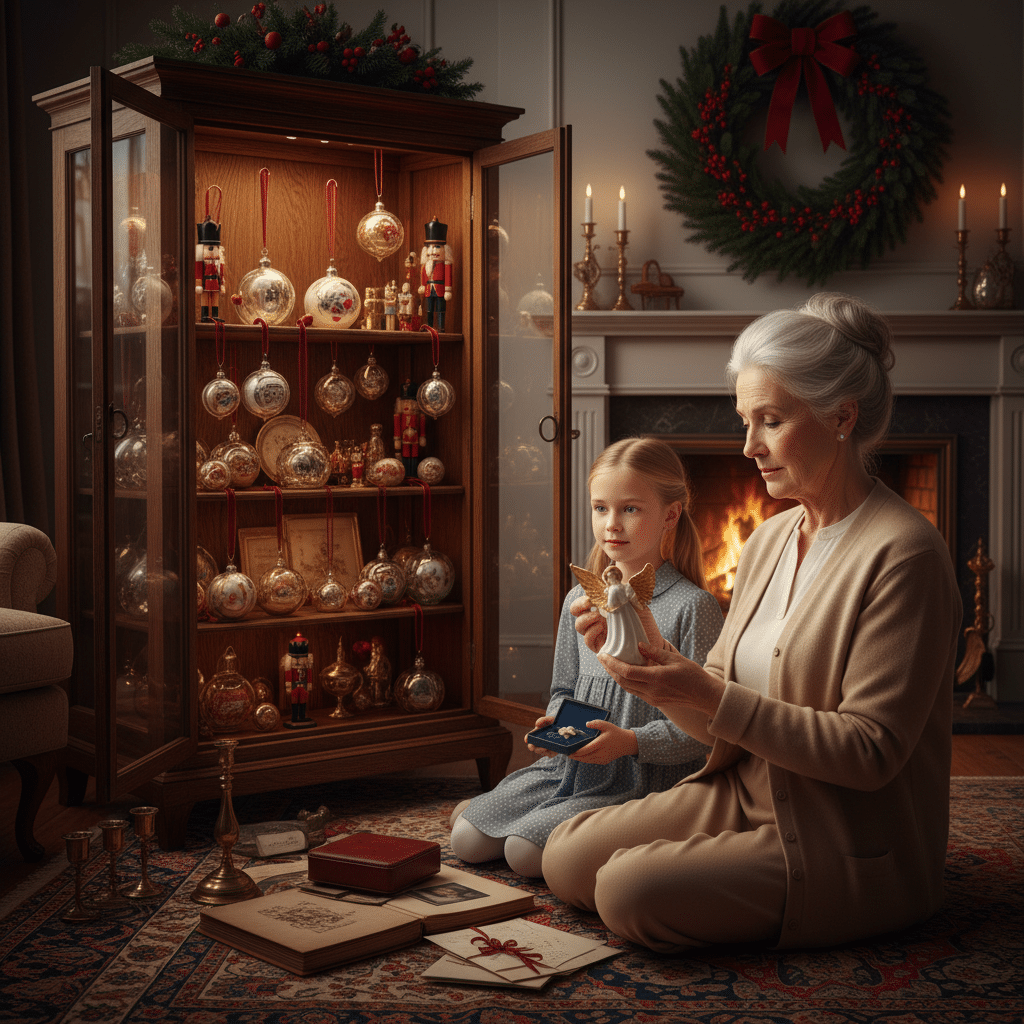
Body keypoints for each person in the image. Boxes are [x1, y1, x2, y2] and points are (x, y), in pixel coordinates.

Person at [542, 293, 962, 953]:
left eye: (769, 419)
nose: (748, 446)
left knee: (624, 889)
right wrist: (653, 666)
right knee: (564, 857)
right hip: (744, 790)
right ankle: (716, 866)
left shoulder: (904, 554)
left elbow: (870, 752)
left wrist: (706, 694)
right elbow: (715, 707)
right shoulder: (768, 539)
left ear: (841, 416)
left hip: (844, 837)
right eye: (744, 420)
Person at [449, 437, 724, 877]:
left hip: (641, 779)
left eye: (630, 509)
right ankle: (503, 812)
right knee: (464, 840)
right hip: (571, 769)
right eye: (601, 508)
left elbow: (705, 730)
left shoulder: (693, 607)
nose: (612, 524)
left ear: (670, 514)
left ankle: (523, 824)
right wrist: (557, 726)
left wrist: (630, 743)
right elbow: (563, 688)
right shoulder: (579, 598)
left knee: (523, 854)